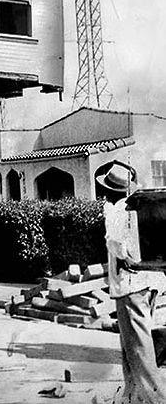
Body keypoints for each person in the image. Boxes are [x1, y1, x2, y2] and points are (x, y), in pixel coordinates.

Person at [98, 161, 166, 403]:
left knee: (138, 348)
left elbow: (121, 249)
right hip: (151, 283)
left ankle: (153, 398)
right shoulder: (143, 206)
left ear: (110, 191)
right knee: (131, 346)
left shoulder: (118, 212)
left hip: (130, 286)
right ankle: (132, 395)